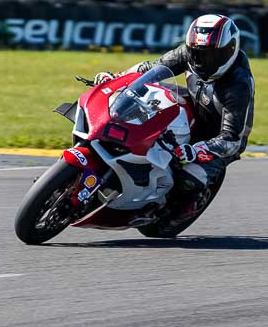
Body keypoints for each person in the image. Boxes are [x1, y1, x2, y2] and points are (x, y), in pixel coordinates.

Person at [95, 14, 255, 217]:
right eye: (198, 54)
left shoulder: (237, 86)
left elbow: (232, 139)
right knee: (147, 96)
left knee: (189, 178)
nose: (202, 61)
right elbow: (151, 69)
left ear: (230, 50)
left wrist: (197, 150)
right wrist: (119, 78)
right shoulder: (189, 53)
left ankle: (180, 209)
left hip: (218, 138)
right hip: (195, 106)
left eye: (211, 56)